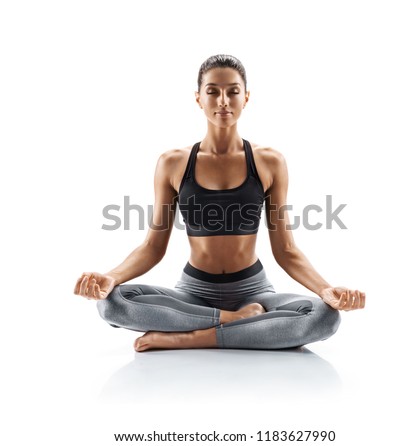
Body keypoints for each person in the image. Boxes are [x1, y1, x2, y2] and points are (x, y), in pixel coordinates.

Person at [73, 54, 365, 352]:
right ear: (198, 98)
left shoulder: (269, 162)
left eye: (233, 91)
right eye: (212, 91)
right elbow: (152, 247)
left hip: (254, 293)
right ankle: (235, 321)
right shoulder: (173, 163)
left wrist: (325, 289)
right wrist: (110, 278)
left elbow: (286, 250)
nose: (223, 100)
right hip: (193, 293)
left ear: (246, 97)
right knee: (111, 304)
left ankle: (193, 337)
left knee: (324, 317)